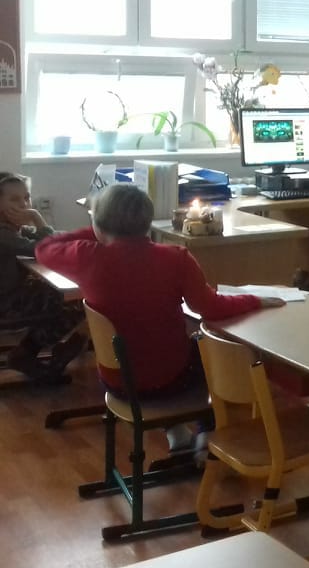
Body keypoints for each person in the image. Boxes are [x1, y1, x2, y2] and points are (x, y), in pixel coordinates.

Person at [36, 183, 285, 447]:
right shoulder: (176, 258)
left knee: (162, 350)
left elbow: (44, 247)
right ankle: (206, 430)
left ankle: (177, 432)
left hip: (117, 381)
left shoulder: (87, 256)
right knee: (207, 347)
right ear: (148, 222)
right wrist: (254, 300)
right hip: (170, 380)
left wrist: (98, 227)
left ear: (99, 225)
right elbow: (211, 308)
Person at [0, 172, 86, 379]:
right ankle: (27, 353)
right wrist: (37, 217)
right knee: (75, 301)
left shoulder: (12, 229)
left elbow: (53, 239)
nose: (24, 204)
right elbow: (44, 249)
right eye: (14, 199)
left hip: (13, 296)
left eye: (26, 197)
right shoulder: (3, 234)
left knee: (63, 293)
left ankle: (32, 350)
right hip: (6, 304)